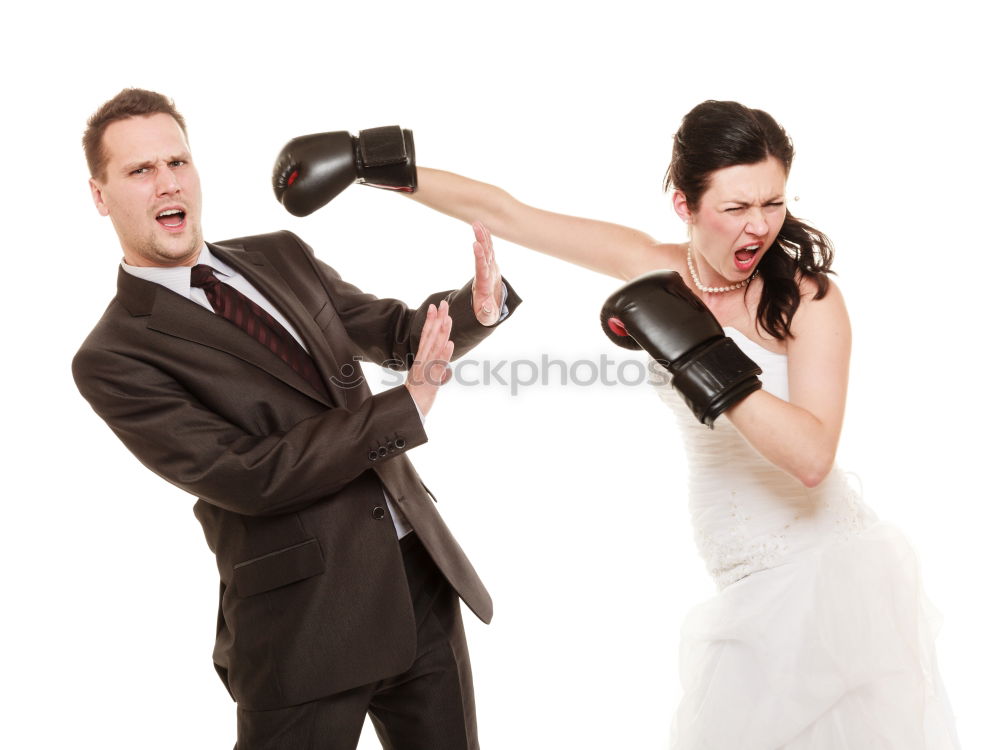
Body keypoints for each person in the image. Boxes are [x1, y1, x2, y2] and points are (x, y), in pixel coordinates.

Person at [392, 100, 960, 747]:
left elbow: (810, 458)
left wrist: (701, 353)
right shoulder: (654, 268)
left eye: (773, 203)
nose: (760, 227)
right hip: (741, 588)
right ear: (685, 206)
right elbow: (509, 214)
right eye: (736, 208)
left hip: (826, 580)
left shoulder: (809, 297)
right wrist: (379, 165)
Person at [72, 88, 519, 750]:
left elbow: (394, 332)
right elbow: (250, 475)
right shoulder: (114, 356)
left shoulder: (280, 253)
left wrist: (475, 307)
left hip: (415, 576)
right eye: (140, 170)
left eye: (177, 161)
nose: (167, 181)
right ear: (101, 194)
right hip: (305, 623)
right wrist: (407, 404)